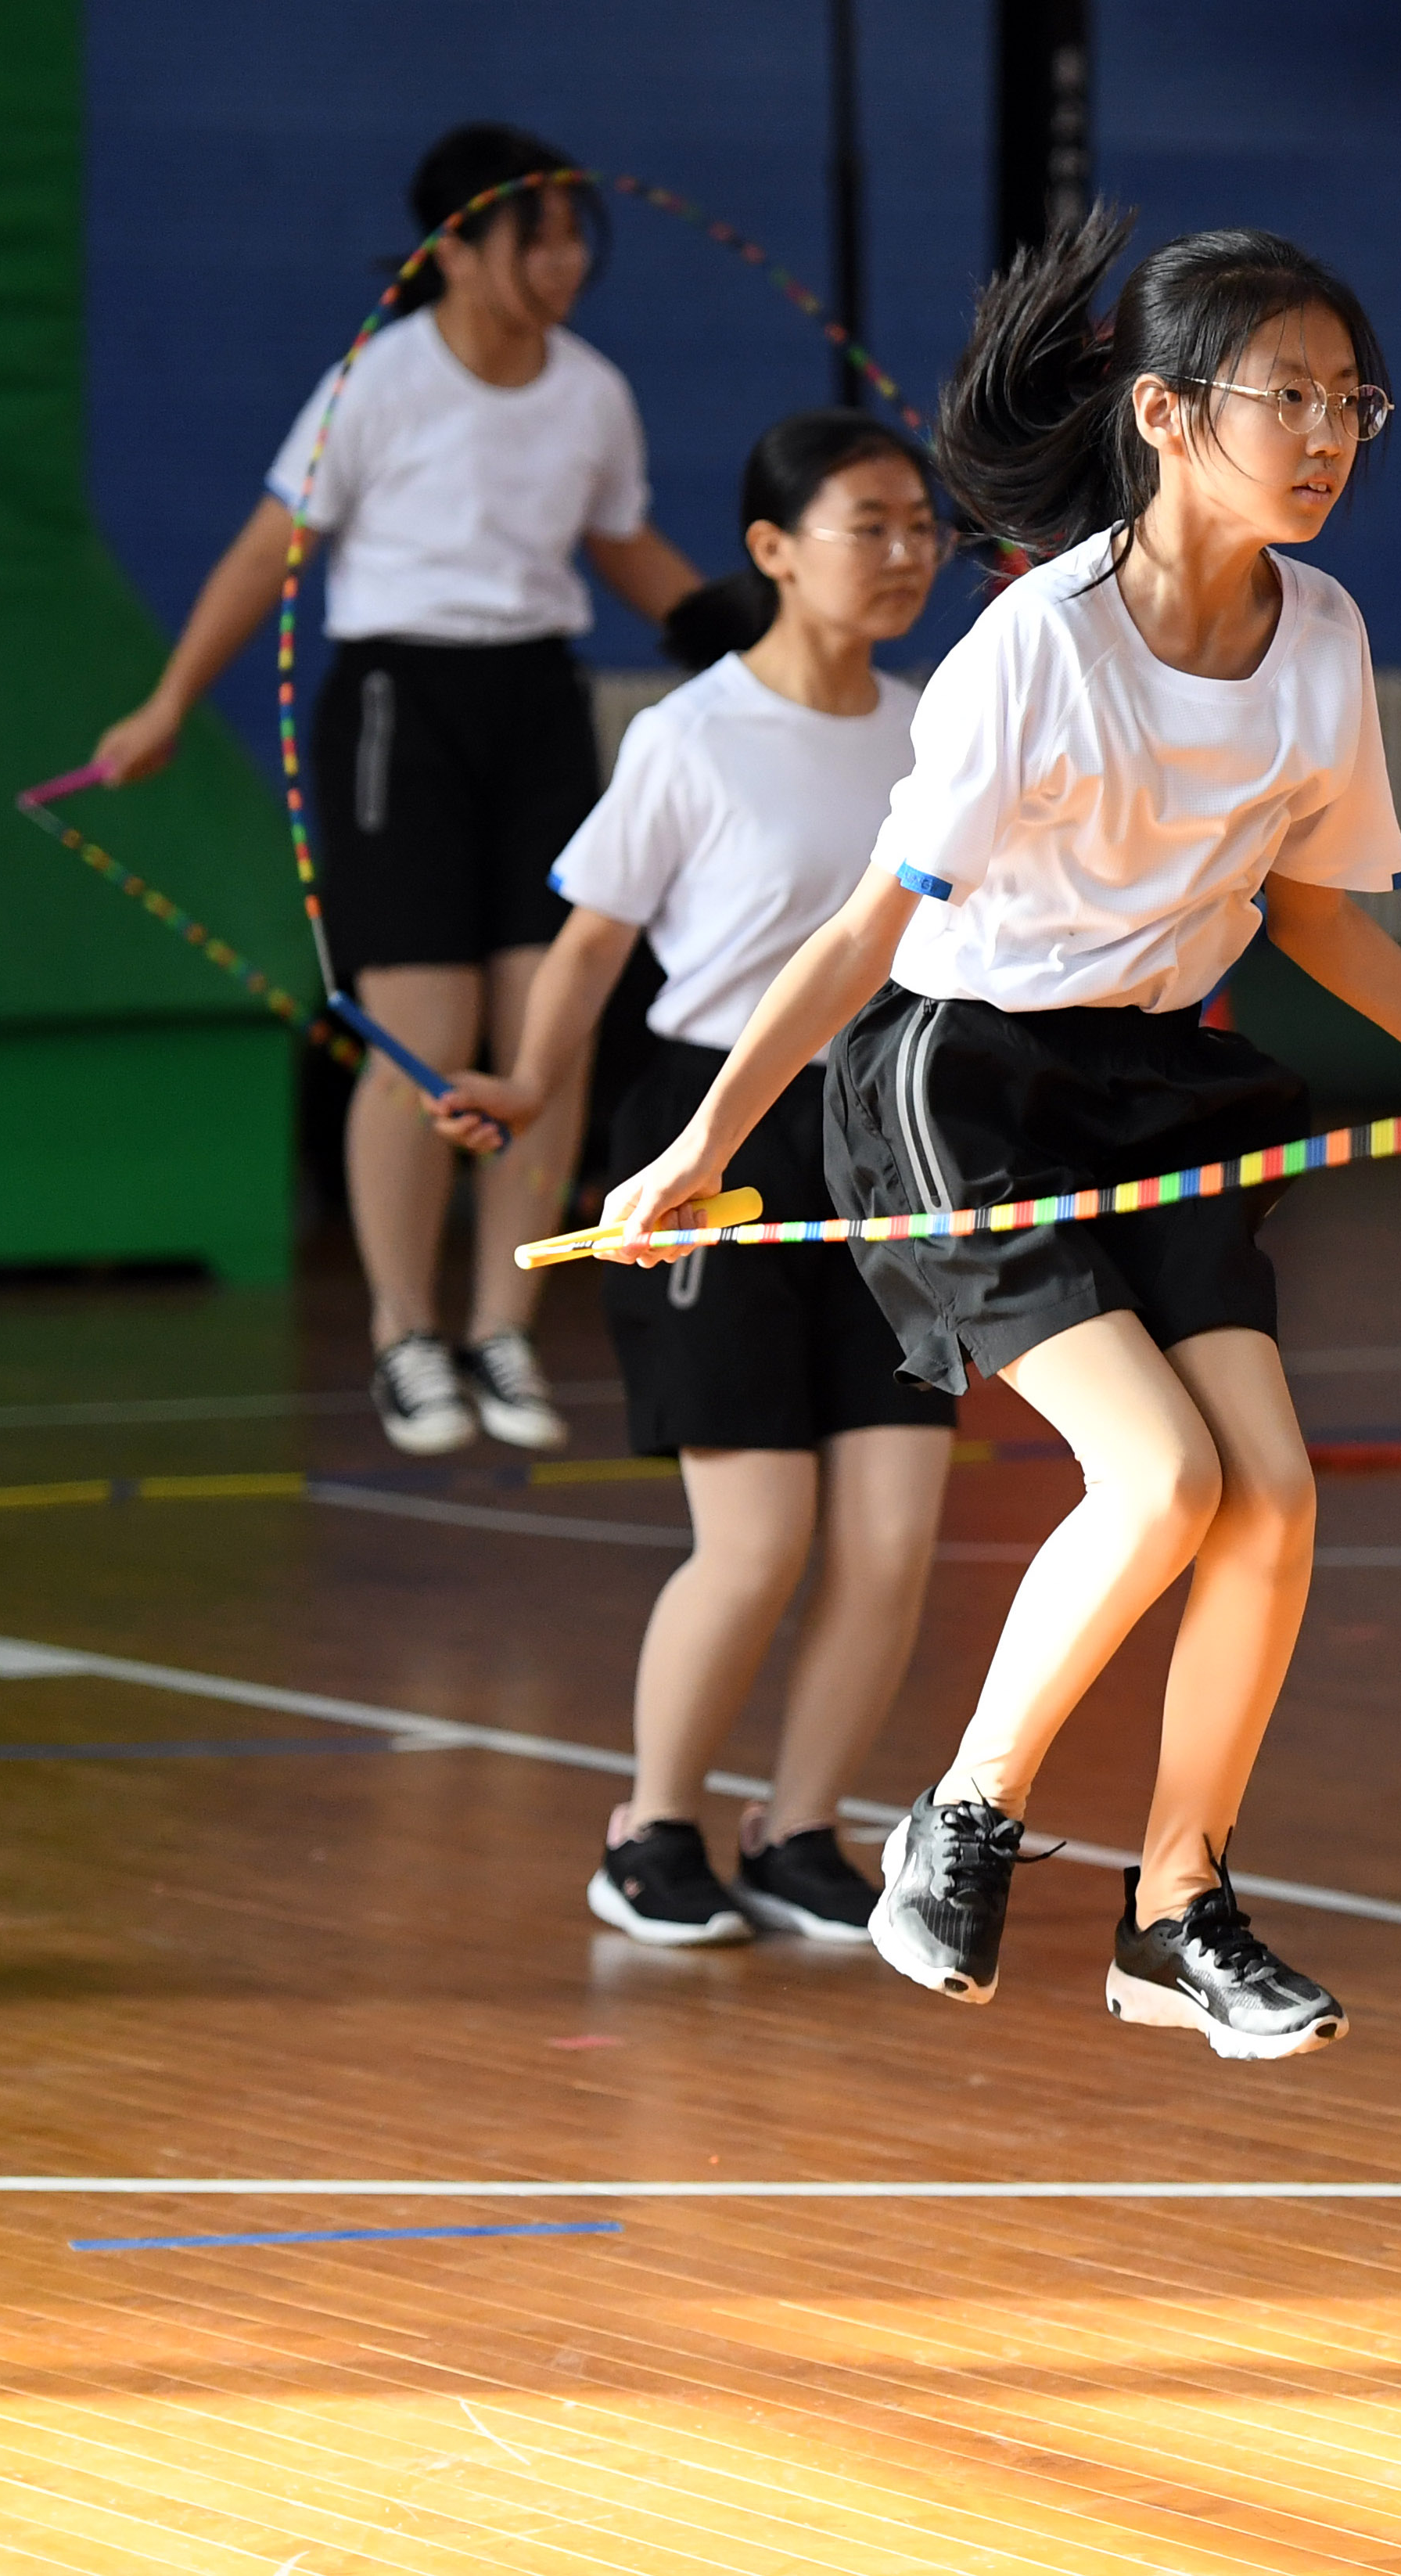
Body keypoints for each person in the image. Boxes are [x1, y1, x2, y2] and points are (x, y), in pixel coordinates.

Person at [598, 214, 1401, 2056]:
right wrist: (701, 1142)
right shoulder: (1034, 645)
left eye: (1351, 401)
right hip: (960, 1079)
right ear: (1166, 414)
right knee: (1159, 1477)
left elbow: (1318, 917)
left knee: (1276, 1500)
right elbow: (862, 930)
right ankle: (962, 1816)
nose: (1328, 435)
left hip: (1161, 1078)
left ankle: (1178, 1907)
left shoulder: (1321, 632)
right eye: (1287, 397)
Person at [91, 121, 702, 1452]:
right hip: (394, 709)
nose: (565, 262)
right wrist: (167, 705)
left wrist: (747, 634)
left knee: (544, 1021)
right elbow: (268, 555)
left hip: (536, 700)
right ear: (458, 248)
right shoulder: (376, 384)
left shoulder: (591, 391)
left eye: (574, 237)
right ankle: (402, 1335)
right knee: (419, 1026)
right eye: (536, 236)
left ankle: (502, 1328)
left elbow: (627, 546)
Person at [433, 412, 958, 1948]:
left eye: (923, 524)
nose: (909, 551)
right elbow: (593, 935)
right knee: (757, 1534)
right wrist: (534, 1082)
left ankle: (801, 1828)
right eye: (871, 523)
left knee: (889, 1532)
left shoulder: (937, 728)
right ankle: (648, 1825)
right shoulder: (690, 733)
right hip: (712, 1140)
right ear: (775, 549)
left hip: (891, 1137)